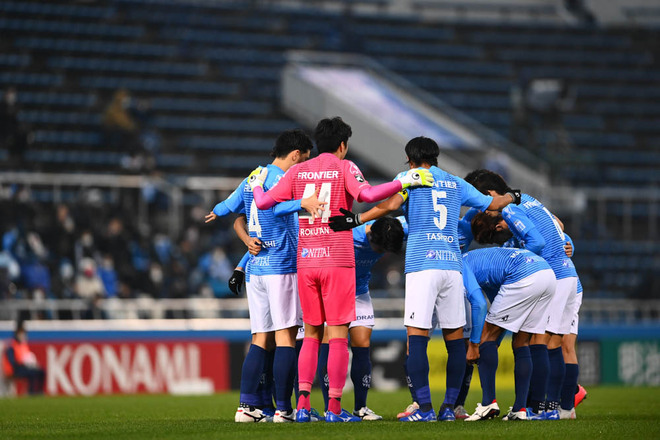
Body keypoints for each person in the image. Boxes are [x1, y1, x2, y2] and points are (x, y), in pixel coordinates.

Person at [249, 117, 435, 423]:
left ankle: (304, 407)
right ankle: (334, 408)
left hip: (306, 261)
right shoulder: (345, 167)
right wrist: (405, 180)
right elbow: (369, 196)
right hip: (336, 259)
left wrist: (256, 185)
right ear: (342, 145)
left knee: (310, 335)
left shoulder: (296, 170)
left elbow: (265, 203)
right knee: (336, 336)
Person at [329, 137, 518, 422]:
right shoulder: (456, 183)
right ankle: (449, 407)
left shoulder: (411, 178)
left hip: (422, 265)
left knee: (416, 339)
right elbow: (493, 202)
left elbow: (389, 204)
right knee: (455, 340)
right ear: (437, 156)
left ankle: (425, 409)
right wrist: (514, 197)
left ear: (410, 159)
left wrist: (356, 220)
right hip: (452, 266)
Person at [205, 129, 315, 423]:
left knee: (259, 339)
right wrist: (302, 203)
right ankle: (283, 409)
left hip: (256, 271)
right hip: (281, 266)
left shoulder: (253, 176)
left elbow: (230, 207)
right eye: (303, 159)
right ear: (295, 155)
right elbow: (274, 206)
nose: (303, 165)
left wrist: (217, 210)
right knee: (286, 338)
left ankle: (246, 406)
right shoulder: (284, 180)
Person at [467, 169, 578, 420]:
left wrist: (525, 262)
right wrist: (568, 243)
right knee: (542, 342)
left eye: (481, 202)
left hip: (550, 274)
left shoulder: (509, 208)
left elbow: (537, 243)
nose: (482, 208)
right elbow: (558, 225)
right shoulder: (527, 199)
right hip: (563, 272)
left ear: (490, 194)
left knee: (542, 343)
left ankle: (541, 408)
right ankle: (543, 408)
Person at [315, 216, 406, 420]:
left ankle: (361, 407)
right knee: (329, 344)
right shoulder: (347, 234)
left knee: (362, 345)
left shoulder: (395, 229)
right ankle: (329, 406)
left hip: (359, 292)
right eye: (380, 248)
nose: (381, 253)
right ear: (371, 235)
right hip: (333, 292)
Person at [460, 247, 556, 421]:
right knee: (522, 341)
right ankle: (520, 409)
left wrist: (475, 344)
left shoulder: (458, 266)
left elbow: (480, 304)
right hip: (547, 274)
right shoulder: (478, 260)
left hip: (524, 275)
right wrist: (493, 341)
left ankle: (488, 403)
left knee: (484, 338)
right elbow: (498, 305)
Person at [2, 321, 45, 395]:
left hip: (23, 367)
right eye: (21, 333)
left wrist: (31, 365)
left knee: (41, 372)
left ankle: (39, 392)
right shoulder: (12, 346)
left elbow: (27, 357)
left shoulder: (23, 345)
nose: (23, 335)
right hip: (14, 369)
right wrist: (25, 365)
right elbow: (12, 362)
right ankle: (31, 392)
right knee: (31, 373)